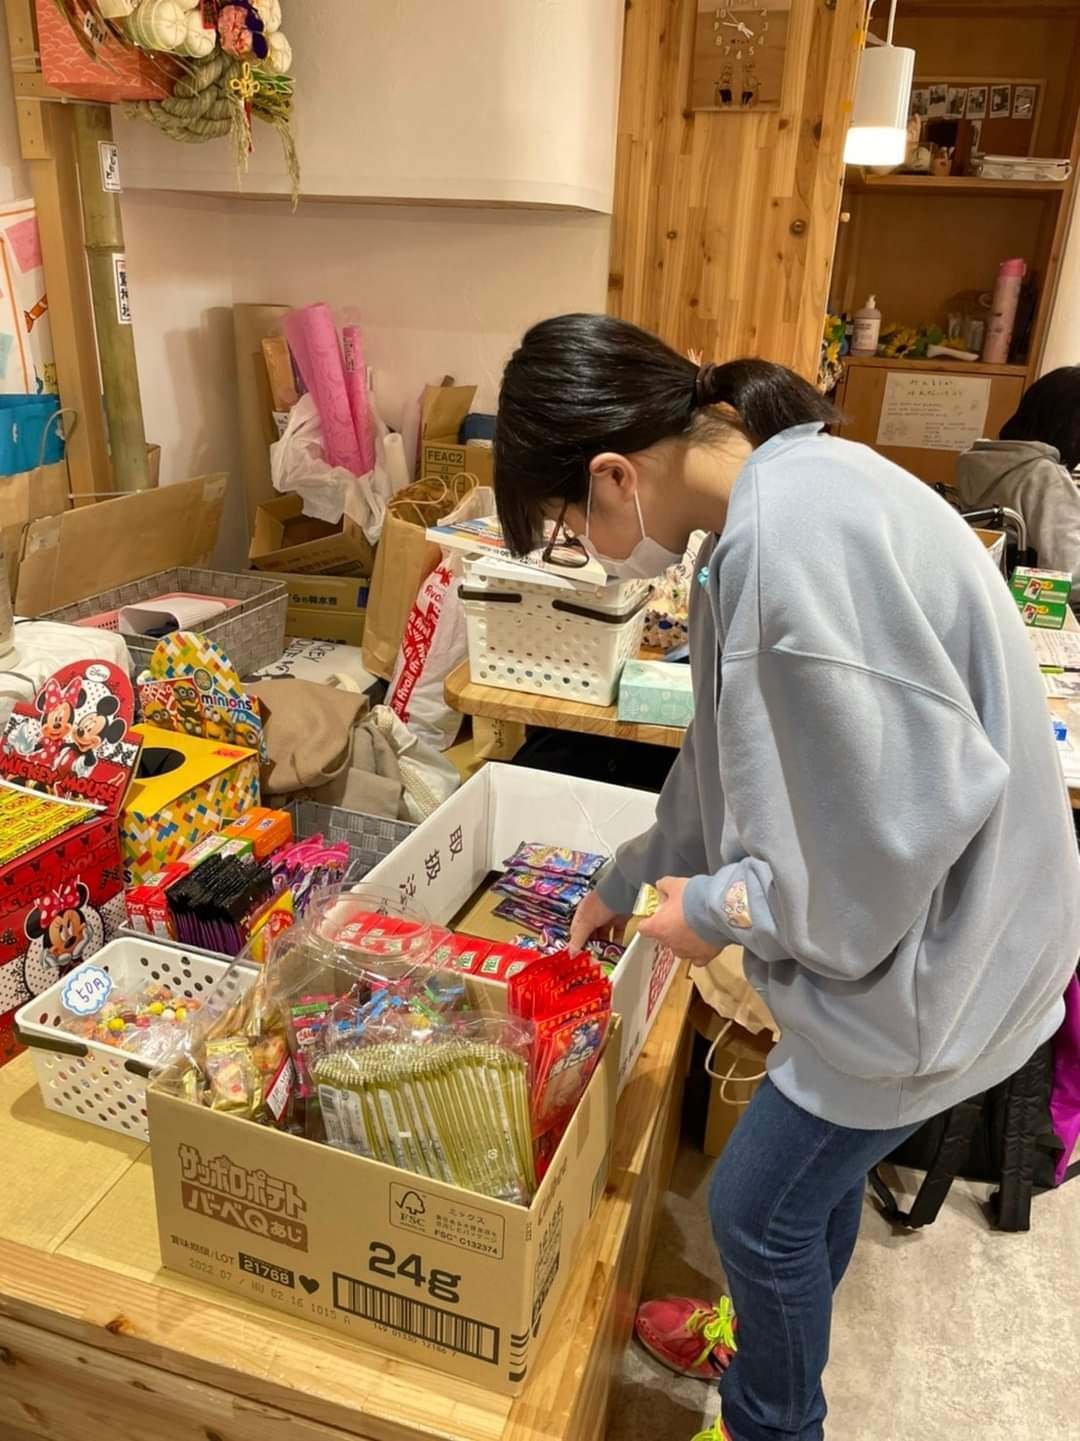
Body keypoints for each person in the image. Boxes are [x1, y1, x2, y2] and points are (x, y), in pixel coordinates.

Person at [493, 314, 1080, 1441]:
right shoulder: (784, 488)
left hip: (946, 957)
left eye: (573, 529)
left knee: (755, 1208)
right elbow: (722, 772)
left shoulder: (780, 548)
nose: (593, 554)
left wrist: (705, 909)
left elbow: (862, 868)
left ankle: (771, 1419)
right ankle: (761, 1342)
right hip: (967, 923)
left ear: (616, 476)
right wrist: (634, 875)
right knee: (797, 1197)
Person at [955, 365, 1080, 584]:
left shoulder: (977, 463)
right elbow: (1069, 572)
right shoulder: (1043, 476)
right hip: (1037, 602)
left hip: (990, 588)